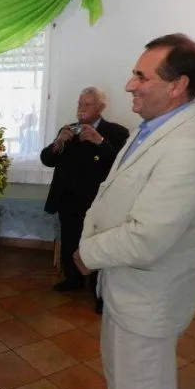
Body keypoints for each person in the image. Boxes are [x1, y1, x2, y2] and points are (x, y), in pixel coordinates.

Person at [74, 34, 195, 389]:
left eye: (141, 76)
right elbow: (114, 190)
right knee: (120, 370)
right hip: (126, 282)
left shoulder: (190, 146)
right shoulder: (153, 127)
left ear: (177, 86)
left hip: (150, 295)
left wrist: (87, 254)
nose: (129, 85)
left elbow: (146, 237)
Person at [40, 87, 129, 313]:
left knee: (97, 247)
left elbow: (122, 165)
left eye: (87, 104)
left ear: (100, 107)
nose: (81, 108)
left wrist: (99, 141)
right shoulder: (68, 130)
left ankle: (99, 292)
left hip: (97, 203)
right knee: (70, 241)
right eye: (79, 103)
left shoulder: (116, 132)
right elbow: (47, 160)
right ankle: (73, 280)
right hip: (68, 200)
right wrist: (58, 142)